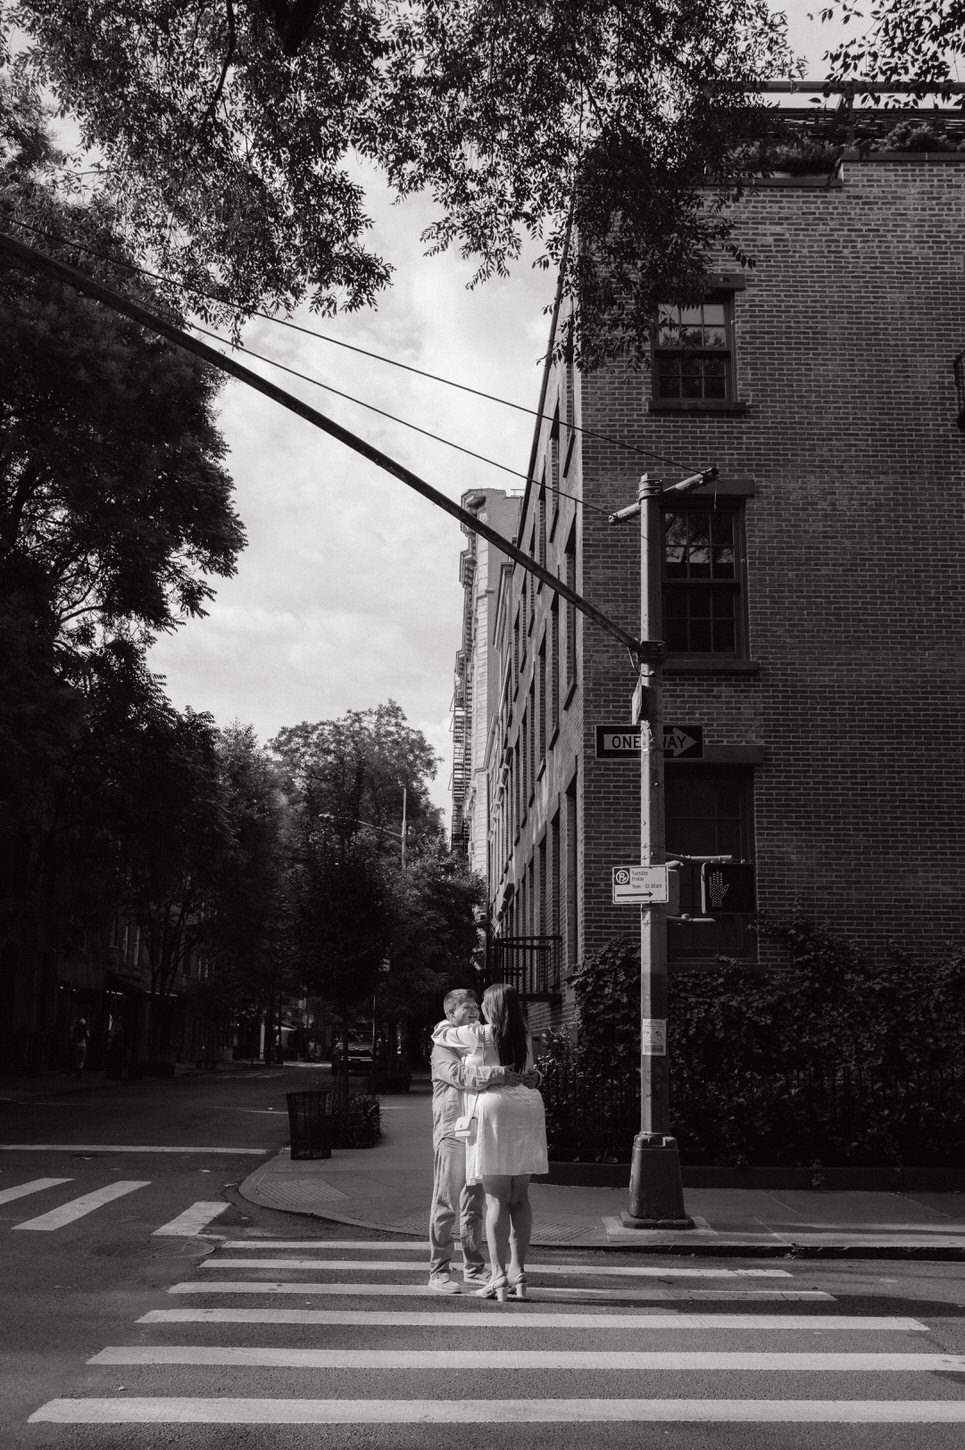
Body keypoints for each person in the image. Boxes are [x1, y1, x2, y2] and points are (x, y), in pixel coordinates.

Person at [431, 982, 547, 1303]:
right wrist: (522, 1076)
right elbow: (528, 1072)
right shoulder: (521, 1032)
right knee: (515, 1198)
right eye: (466, 1007)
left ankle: (494, 1276)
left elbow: (440, 1034)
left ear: (491, 1007)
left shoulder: (480, 1034)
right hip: (507, 1114)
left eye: (478, 1005)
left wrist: (448, 1023)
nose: (474, 1010)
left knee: (493, 1200)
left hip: (493, 1113)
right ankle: (513, 1273)